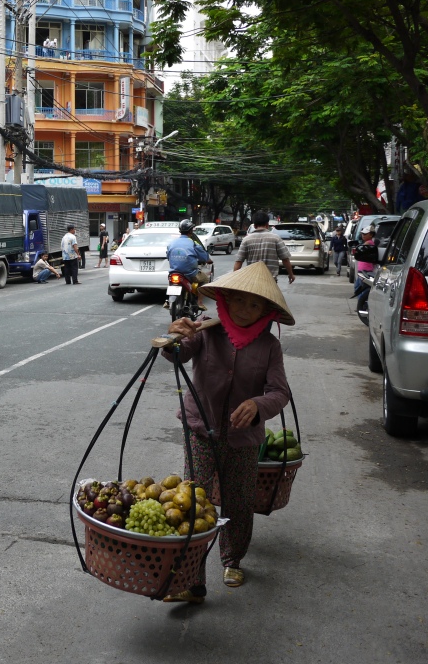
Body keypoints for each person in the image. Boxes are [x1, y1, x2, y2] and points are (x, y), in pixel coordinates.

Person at [160, 262, 294, 604]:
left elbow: (279, 392)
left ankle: (232, 559)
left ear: (267, 311)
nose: (245, 310)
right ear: (225, 299)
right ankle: (192, 580)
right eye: (238, 301)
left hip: (242, 439)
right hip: (200, 430)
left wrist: (258, 405)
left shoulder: (269, 347)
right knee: (194, 502)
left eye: (254, 305)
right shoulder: (206, 330)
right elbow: (177, 355)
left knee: (237, 500)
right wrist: (175, 336)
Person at [233, 211, 295, 284]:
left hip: (253, 282)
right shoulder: (276, 238)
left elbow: (239, 262)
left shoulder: (246, 240)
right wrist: (291, 275)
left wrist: (234, 279)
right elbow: (285, 259)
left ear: (255, 226)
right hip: (270, 281)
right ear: (267, 224)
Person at [166, 220, 213, 309]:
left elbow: (168, 255)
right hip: (189, 273)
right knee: (205, 279)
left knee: (171, 281)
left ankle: (168, 301)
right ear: (191, 231)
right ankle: (199, 302)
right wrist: (208, 260)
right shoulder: (193, 243)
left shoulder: (172, 243)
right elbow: (204, 257)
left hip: (174, 272)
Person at [351, 226, 376, 303]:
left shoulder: (368, 243)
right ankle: (361, 303)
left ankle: (362, 303)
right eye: (362, 234)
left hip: (365, 270)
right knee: (358, 287)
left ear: (371, 235)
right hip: (363, 270)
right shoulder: (367, 244)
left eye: (365, 234)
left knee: (361, 288)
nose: (363, 236)